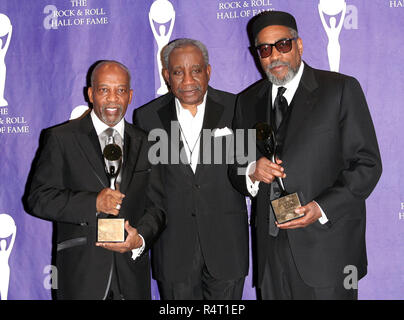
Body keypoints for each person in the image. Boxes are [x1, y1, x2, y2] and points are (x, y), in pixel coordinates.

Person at [229, 11, 382, 299]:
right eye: (264, 49)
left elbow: (367, 165)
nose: (274, 55)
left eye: (283, 45)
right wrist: (251, 170)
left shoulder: (339, 89)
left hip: (328, 251)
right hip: (271, 255)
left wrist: (321, 208)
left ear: (299, 45)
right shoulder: (247, 101)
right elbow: (235, 166)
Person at [26, 60, 165, 300]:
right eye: (104, 90)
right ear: (90, 94)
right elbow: (38, 199)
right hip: (81, 276)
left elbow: (158, 207)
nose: (113, 98)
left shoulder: (146, 143)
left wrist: (139, 238)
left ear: (130, 95)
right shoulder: (62, 138)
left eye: (120, 90)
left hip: (131, 278)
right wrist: (93, 203)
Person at [133, 38, 248, 300]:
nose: (187, 80)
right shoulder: (147, 117)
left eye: (196, 70)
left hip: (227, 247)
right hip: (173, 249)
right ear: (166, 76)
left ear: (208, 71)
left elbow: (247, 169)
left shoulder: (236, 108)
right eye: (178, 72)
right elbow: (149, 187)